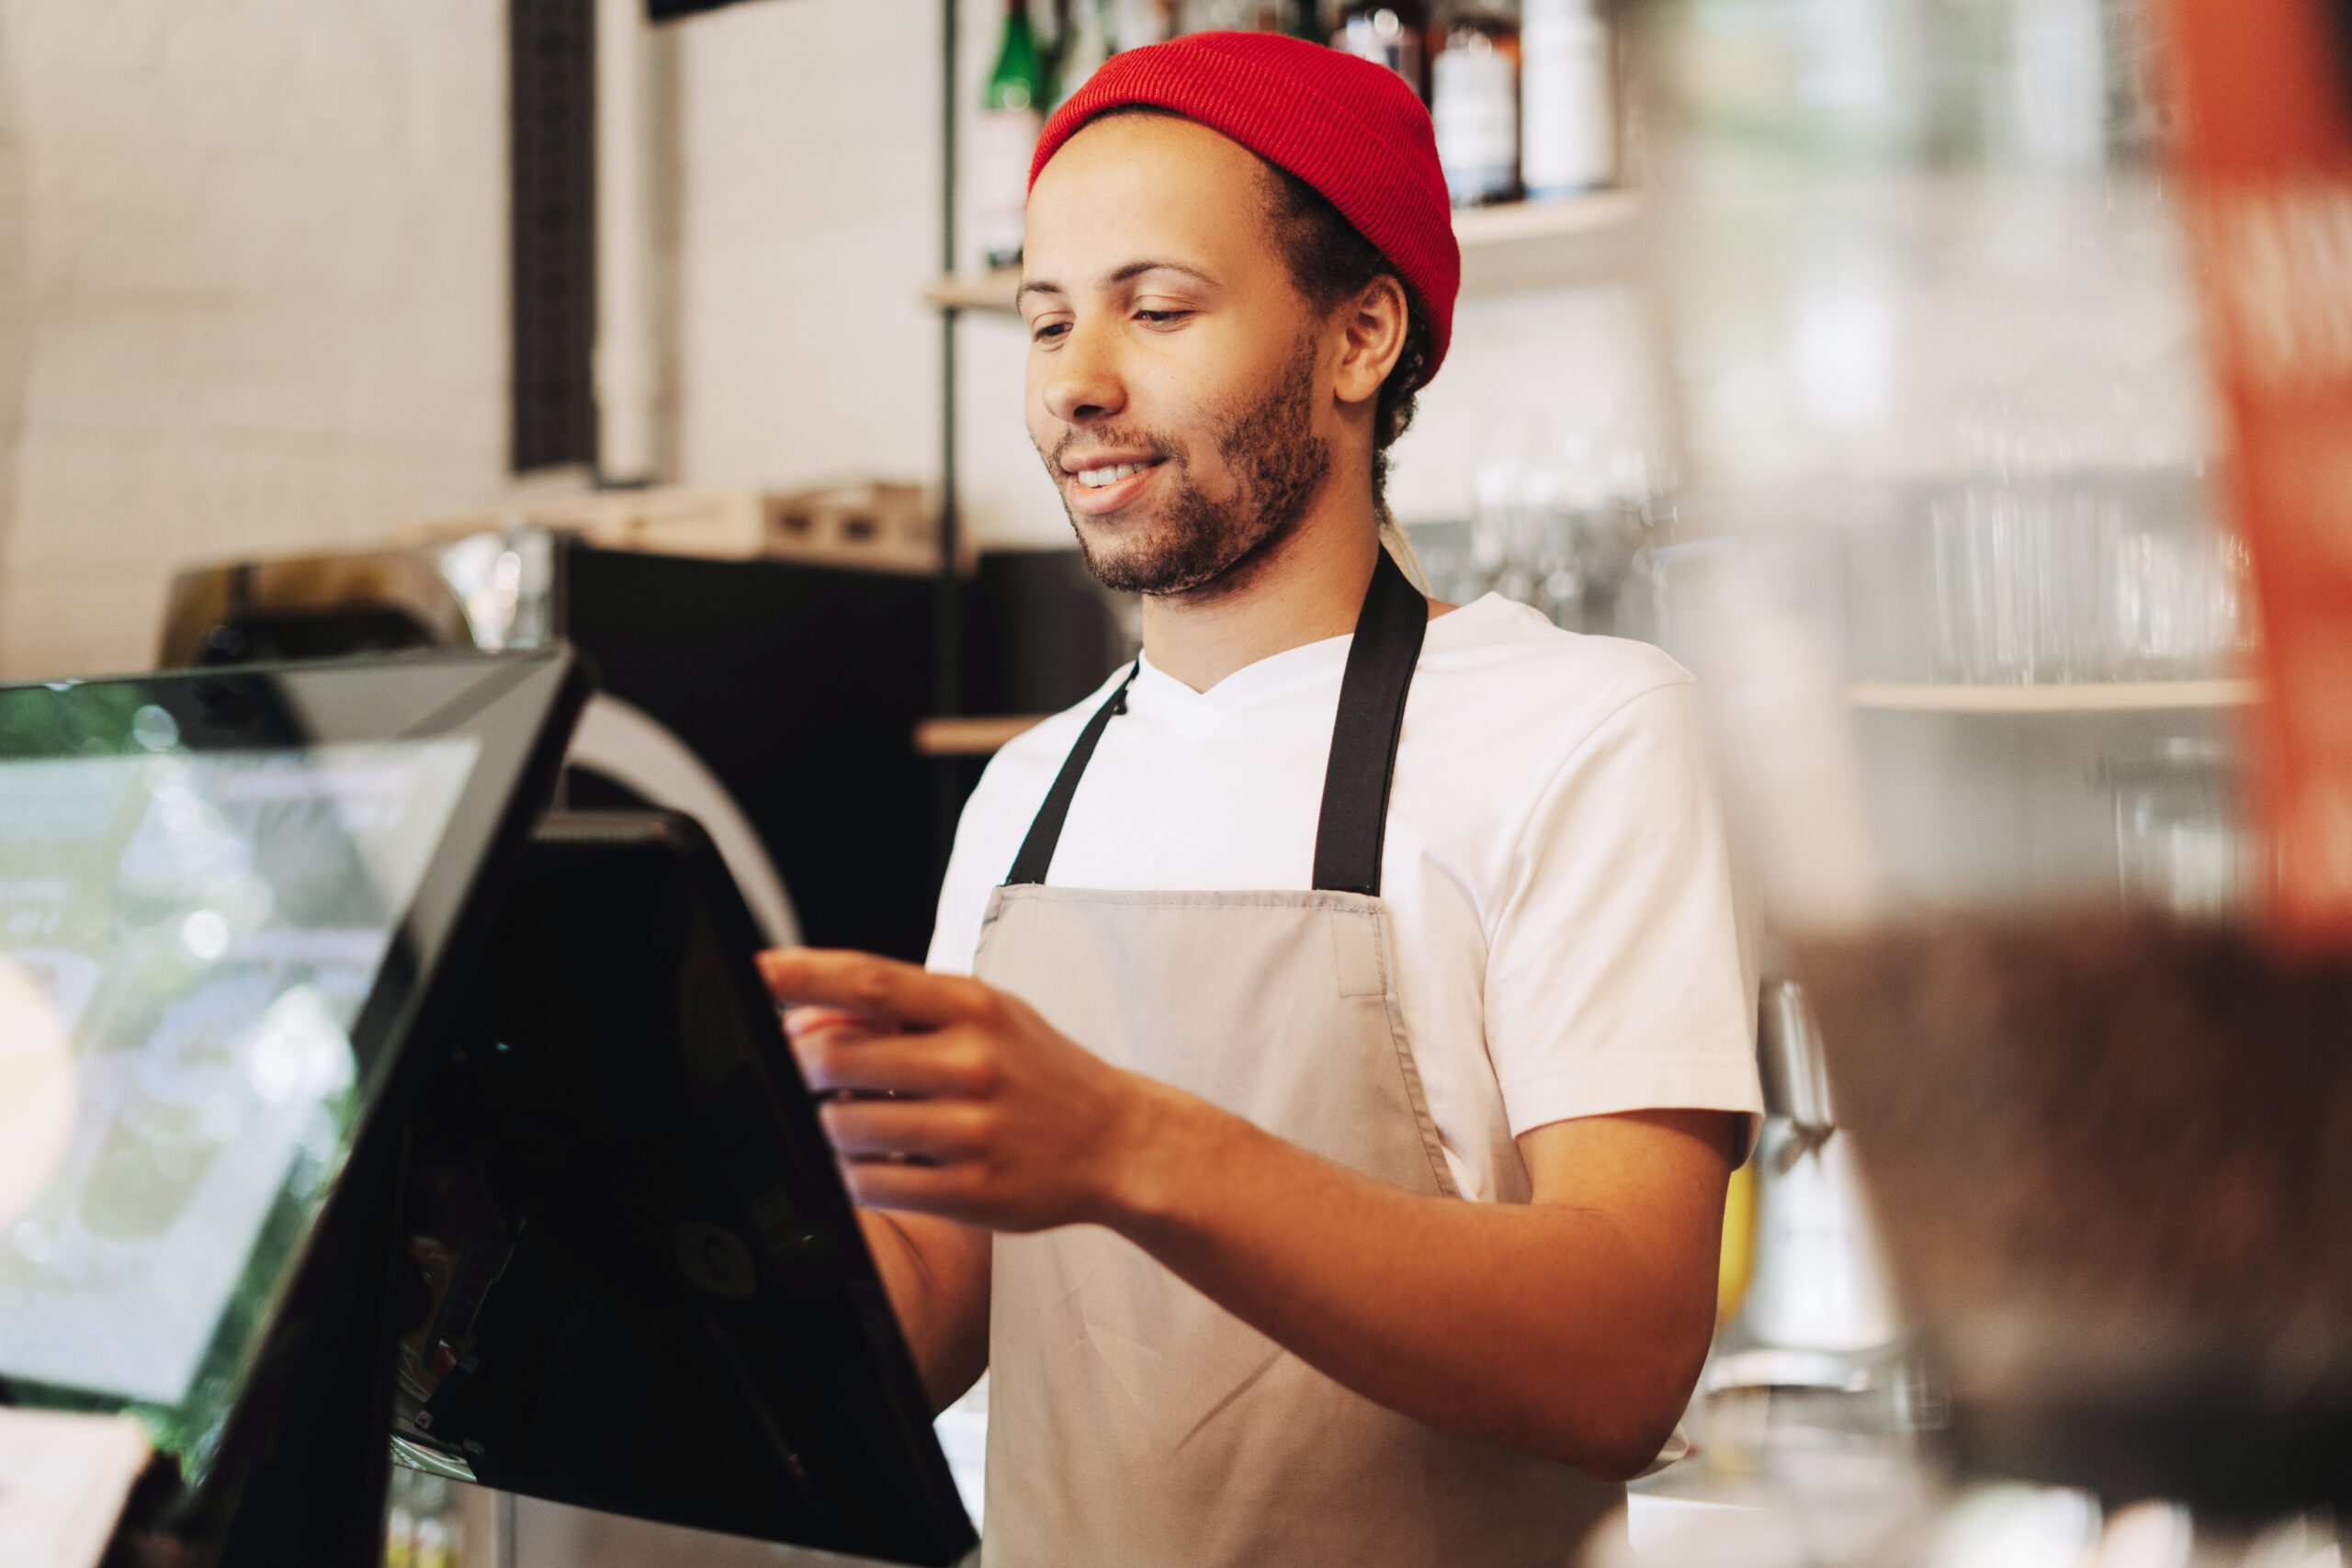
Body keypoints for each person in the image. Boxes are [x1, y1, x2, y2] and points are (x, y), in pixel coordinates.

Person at [759, 30, 1762, 1567]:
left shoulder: (1586, 731)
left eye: (1157, 309)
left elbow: (1623, 1359)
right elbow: (936, 1320)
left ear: (1361, 337)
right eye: (1046, 321)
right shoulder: (1027, 794)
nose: (1077, 383)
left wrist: (1127, 1145)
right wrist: (691, 1207)